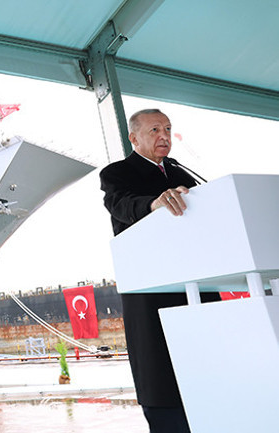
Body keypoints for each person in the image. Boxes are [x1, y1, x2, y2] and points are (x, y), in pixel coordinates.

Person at [100, 108, 217, 433]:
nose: (164, 135)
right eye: (154, 130)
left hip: (199, 280)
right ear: (133, 137)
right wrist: (155, 203)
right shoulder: (117, 173)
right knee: (162, 375)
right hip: (152, 286)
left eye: (167, 128)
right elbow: (121, 203)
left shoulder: (182, 175)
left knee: (208, 369)